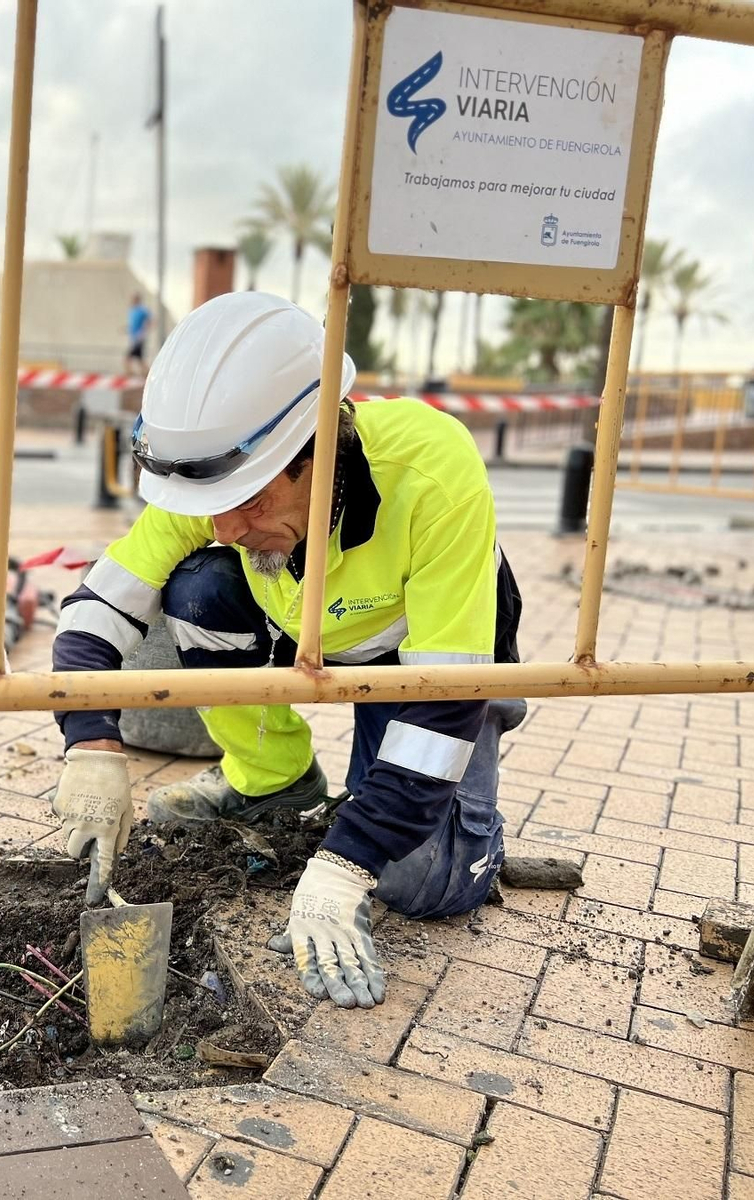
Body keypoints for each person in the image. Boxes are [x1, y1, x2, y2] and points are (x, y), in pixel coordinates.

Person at [49, 291, 525, 1010]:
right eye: (215, 503)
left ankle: (472, 815)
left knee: (419, 884)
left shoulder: (432, 469)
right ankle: (274, 782)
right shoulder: (212, 485)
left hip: (425, 669)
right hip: (304, 631)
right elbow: (98, 607)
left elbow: (440, 708)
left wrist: (345, 865)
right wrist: (91, 744)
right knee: (201, 587)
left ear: (322, 453)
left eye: (251, 500)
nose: (227, 525)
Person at [125, 292, 152, 376]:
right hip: (133, 338)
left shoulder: (142, 310)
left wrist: (143, 331)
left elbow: (150, 320)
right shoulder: (132, 310)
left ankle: (130, 374)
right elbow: (132, 324)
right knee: (140, 359)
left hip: (138, 338)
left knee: (128, 358)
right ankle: (147, 373)